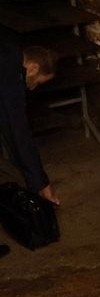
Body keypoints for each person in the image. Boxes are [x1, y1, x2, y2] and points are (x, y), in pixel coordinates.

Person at [0, 38, 58, 214]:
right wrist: (41, 183)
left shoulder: (8, 51)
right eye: (38, 82)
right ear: (33, 67)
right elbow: (19, 134)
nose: (33, 88)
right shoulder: (11, 74)